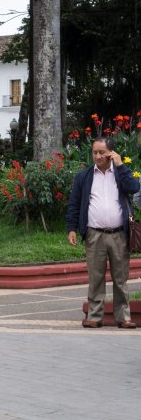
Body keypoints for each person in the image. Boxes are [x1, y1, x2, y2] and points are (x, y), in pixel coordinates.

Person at [66, 137, 140, 329]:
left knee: (120, 278)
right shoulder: (84, 176)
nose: (97, 156)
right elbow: (74, 204)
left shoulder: (120, 173)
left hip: (119, 234)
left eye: (101, 152)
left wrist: (121, 166)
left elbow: (133, 188)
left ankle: (123, 317)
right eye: (94, 152)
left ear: (111, 153)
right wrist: (72, 229)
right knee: (96, 277)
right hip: (94, 234)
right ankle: (94, 316)